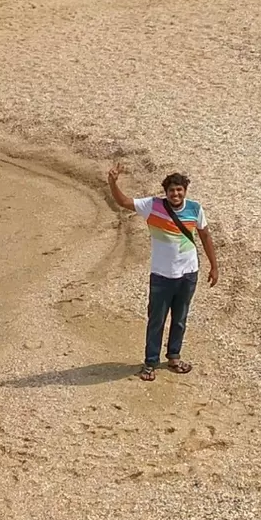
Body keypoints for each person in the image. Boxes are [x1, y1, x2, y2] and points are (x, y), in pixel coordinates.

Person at [106, 160, 218, 382]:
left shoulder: (195, 209)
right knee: (156, 319)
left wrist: (214, 266)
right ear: (165, 192)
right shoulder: (153, 206)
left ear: (184, 191)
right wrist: (113, 182)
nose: (175, 194)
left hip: (188, 274)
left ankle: (174, 357)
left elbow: (205, 235)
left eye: (179, 190)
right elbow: (123, 201)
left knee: (180, 318)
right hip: (161, 276)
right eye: (171, 190)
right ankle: (150, 363)